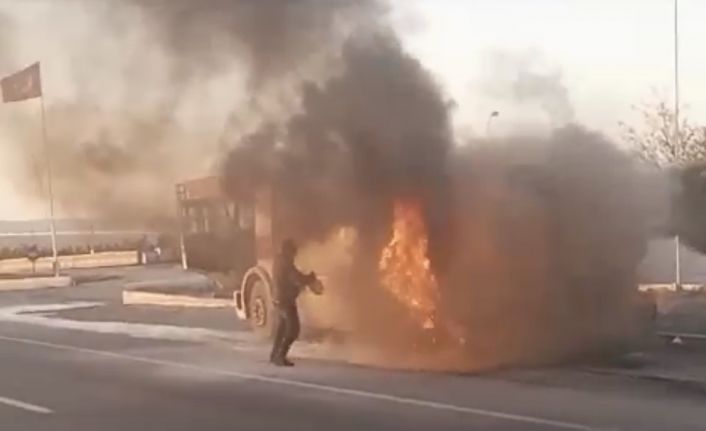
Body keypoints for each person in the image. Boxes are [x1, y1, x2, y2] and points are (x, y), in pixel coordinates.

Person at [269, 238, 318, 366]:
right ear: (288, 250)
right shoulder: (285, 262)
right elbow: (295, 277)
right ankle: (280, 356)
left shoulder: (279, 260)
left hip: (278, 298)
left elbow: (293, 276)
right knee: (293, 330)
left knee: (282, 328)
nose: (294, 254)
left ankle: (274, 354)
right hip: (286, 300)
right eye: (293, 251)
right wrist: (309, 278)